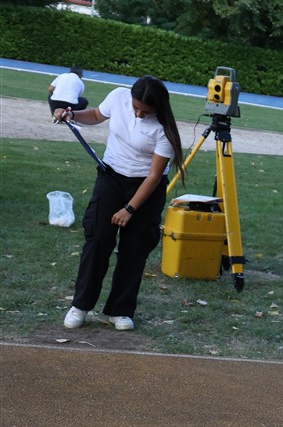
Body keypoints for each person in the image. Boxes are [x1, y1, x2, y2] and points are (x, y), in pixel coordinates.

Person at [55, 76, 185, 332]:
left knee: (135, 248)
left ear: (158, 107)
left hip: (145, 188)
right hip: (111, 178)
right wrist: (71, 115)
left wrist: (130, 209)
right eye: (136, 107)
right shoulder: (117, 96)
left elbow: (154, 176)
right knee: (98, 239)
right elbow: (96, 115)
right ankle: (80, 305)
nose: (138, 114)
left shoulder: (164, 129)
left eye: (145, 111)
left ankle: (120, 310)